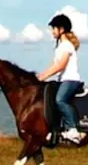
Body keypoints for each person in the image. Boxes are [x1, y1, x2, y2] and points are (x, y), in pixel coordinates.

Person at [36, 13, 83, 144]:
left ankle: (73, 130)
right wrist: (41, 75)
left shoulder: (67, 45)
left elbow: (61, 65)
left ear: (61, 29)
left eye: (53, 28)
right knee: (49, 98)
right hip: (62, 80)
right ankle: (54, 129)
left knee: (60, 100)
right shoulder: (60, 47)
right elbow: (54, 64)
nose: (52, 32)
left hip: (71, 79)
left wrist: (45, 76)